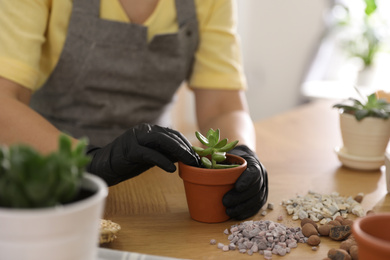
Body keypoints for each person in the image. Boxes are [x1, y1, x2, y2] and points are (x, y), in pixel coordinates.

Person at [0, 0, 268, 220]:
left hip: (154, 182)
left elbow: (222, 105)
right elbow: (4, 102)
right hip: (48, 178)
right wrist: (88, 161)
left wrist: (243, 153)